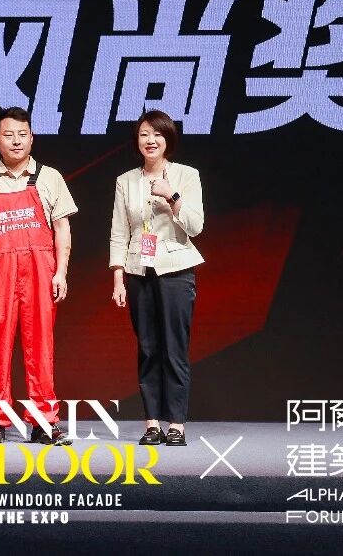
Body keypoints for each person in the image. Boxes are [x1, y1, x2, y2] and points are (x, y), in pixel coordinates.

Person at [0, 106, 76, 446]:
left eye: (22, 134)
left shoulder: (49, 177)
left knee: (40, 345)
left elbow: (62, 227)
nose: (16, 141)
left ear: (32, 137)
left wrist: (61, 272)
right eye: (9, 135)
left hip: (40, 271)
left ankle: (44, 421)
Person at [108, 109, 204, 448]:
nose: (150, 140)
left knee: (174, 348)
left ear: (168, 139)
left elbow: (195, 227)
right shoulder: (125, 181)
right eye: (144, 134)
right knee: (147, 348)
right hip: (138, 270)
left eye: (157, 134)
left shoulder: (186, 176)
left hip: (176, 269)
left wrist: (171, 196)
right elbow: (119, 232)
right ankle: (152, 423)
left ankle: (176, 424)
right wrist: (118, 278)